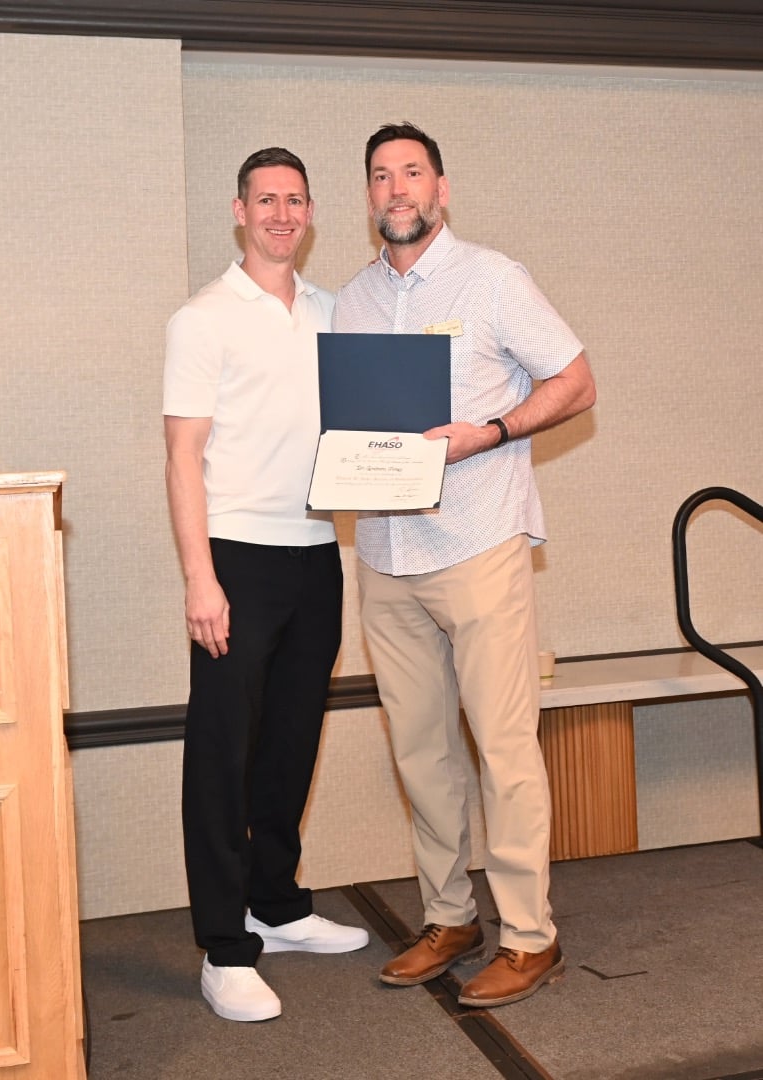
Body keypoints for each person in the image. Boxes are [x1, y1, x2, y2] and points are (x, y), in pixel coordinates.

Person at [333, 123, 596, 1008]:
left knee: (504, 748)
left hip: (477, 543)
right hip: (384, 552)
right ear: (368, 198)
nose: (396, 188)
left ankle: (531, 936)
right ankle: (450, 917)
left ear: (441, 189)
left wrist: (488, 433)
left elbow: (575, 380)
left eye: (411, 173)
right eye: (381, 176)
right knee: (420, 751)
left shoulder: (493, 278)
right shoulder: (354, 303)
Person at [163, 146, 369, 1024]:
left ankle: (275, 904)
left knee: (290, 741)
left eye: (295, 199)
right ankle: (223, 944)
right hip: (236, 558)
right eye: (265, 200)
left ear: (311, 212)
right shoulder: (203, 317)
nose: (281, 213)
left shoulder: (332, 311)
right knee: (222, 750)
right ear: (239, 211)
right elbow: (181, 457)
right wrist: (200, 579)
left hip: (317, 552)